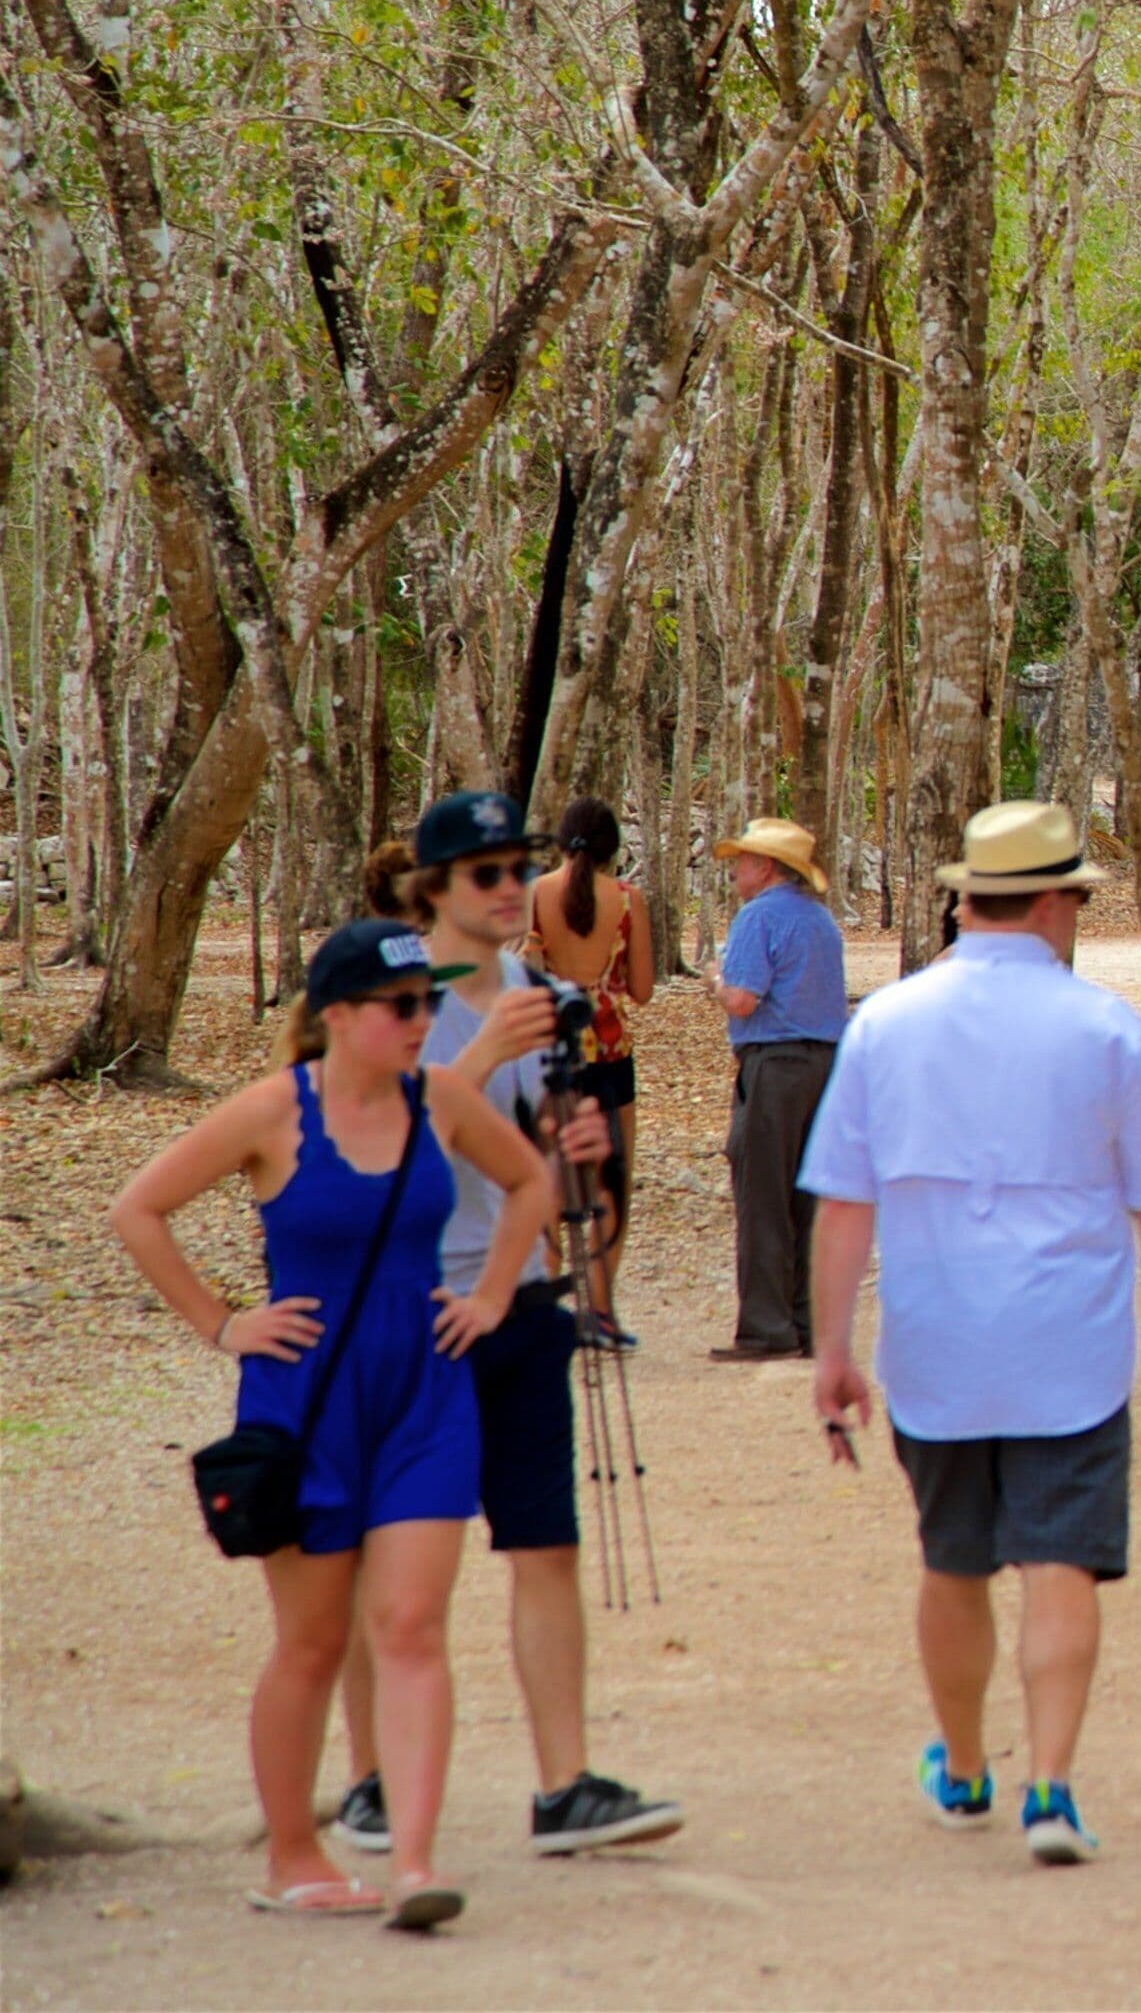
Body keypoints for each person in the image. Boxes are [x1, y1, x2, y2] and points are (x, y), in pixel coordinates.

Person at [107, 919, 555, 1930]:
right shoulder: (270, 1112)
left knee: (411, 1628)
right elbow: (139, 1209)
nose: (423, 1021)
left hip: (426, 1395)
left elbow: (531, 1183)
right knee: (311, 1643)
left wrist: (487, 1296)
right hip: (305, 1399)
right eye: (403, 1007)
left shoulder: (439, 1100)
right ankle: (295, 1854)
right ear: (340, 1017)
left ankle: (412, 1863)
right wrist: (222, 1324)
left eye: (429, 1004)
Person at [801, 800, 1141, 1868]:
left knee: (953, 1562)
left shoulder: (886, 1023)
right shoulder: (1105, 1028)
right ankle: (1053, 1790)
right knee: (1059, 1563)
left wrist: (833, 1348)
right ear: (1052, 902)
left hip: (935, 1343)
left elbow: (844, 1204)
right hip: (1067, 1346)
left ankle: (965, 1763)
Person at [330, 797, 685, 1866]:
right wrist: (481, 1057)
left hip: (523, 1304)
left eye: (511, 869)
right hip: (403, 1310)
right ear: (431, 888)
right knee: (384, 1567)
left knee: (545, 1547)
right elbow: (370, 1154)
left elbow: (578, 1191)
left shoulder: (547, 999)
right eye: (480, 873)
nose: (500, 889)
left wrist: (577, 1149)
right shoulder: (379, 1004)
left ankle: (563, 1786)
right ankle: (370, 1781)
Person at [708, 816, 844, 1362]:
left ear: (765, 867)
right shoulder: (821, 920)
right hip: (825, 1066)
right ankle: (806, 1322)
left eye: (742, 860)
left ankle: (767, 1327)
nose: (736, 869)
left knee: (763, 1193)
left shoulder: (756, 916)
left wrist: (714, 981)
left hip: (774, 1064)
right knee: (806, 1197)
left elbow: (742, 999)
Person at [524, 797, 650, 1321]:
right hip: (609, 1045)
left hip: (548, 1046)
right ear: (610, 848)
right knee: (611, 1179)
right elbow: (641, 988)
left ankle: (544, 1304)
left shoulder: (534, 894)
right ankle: (600, 1310)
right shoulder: (627, 900)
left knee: (546, 1175)